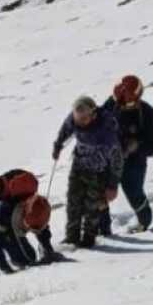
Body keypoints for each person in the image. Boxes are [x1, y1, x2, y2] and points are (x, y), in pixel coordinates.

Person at [52, 96, 122, 248]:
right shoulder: (74, 119)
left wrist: (112, 185)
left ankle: (89, 237)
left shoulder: (105, 130)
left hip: (98, 172)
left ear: (93, 114)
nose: (80, 122)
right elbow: (66, 129)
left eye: (84, 118)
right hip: (78, 166)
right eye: (78, 118)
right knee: (73, 202)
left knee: (92, 206)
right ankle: (72, 236)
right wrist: (58, 145)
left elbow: (117, 160)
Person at [99, 74, 153, 235]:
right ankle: (103, 230)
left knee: (133, 192)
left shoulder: (147, 113)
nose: (125, 106)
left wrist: (137, 145)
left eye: (130, 103)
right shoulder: (112, 104)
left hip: (134, 162)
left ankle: (144, 222)